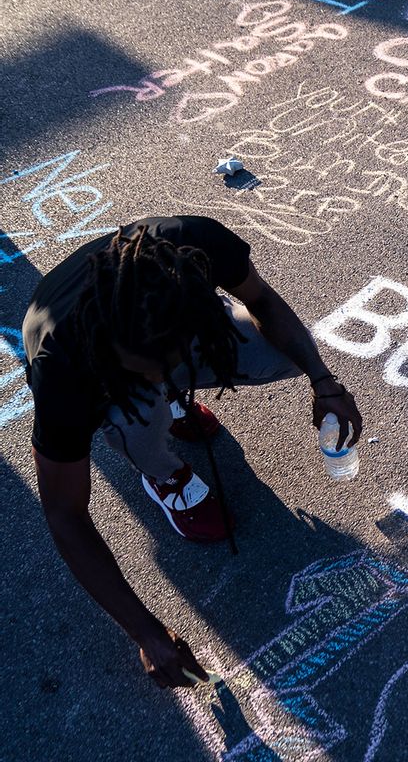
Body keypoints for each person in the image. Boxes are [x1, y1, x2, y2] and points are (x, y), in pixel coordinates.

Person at [22, 215, 363, 689]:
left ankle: (171, 395)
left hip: (163, 321)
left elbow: (261, 299)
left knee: (285, 351)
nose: (160, 374)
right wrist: (145, 632)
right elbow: (64, 514)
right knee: (135, 409)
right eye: (149, 369)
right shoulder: (64, 370)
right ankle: (164, 473)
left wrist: (323, 382)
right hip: (74, 337)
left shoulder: (193, 248)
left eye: (172, 363)